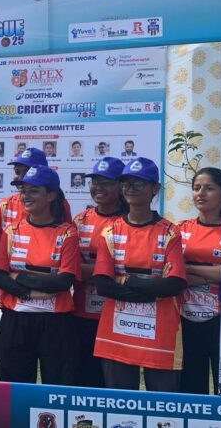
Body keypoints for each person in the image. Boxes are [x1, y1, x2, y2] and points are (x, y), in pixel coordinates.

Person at [93, 157, 187, 392]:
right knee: (119, 402)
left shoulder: (170, 232)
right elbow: (103, 285)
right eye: (126, 183)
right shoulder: (110, 231)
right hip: (117, 330)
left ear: (155, 188)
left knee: (162, 404)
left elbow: (174, 284)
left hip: (160, 329)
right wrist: (152, 289)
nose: (130, 189)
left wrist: (125, 280)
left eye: (138, 183)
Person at [0, 165, 81, 385]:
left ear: (51, 195)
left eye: (33, 191)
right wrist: (30, 292)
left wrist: (19, 277)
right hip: (15, 319)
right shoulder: (11, 231)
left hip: (56, 322)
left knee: (58, 385)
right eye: (23, 191)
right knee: (15, 387)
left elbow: (64, 280)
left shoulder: (67, 232)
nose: (25, 196)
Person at [72, 158, 126, 388]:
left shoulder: (130, 221)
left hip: (120, 314)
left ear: (121, 186)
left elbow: (130, 269)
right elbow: (69, 268)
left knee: (116, 382)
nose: (98, 188)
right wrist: (107, 273)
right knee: (84, 379)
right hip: (82, 313)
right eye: (95, 182)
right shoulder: (80, 220)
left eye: (106, 183)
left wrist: (92, 271)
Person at [180, 168, 221, 395]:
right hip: (185, 318)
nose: (201, 193)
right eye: (197, 188)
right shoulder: (180, 229)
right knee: (190, 387)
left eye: (209, 188)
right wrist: (211, 272)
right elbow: (172, 274)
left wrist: (188, 267)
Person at [0, 147, 71, 230]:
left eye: (28, 172)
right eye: (17, 172)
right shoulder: (5, 205)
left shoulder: (60, 202)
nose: (21, 178)